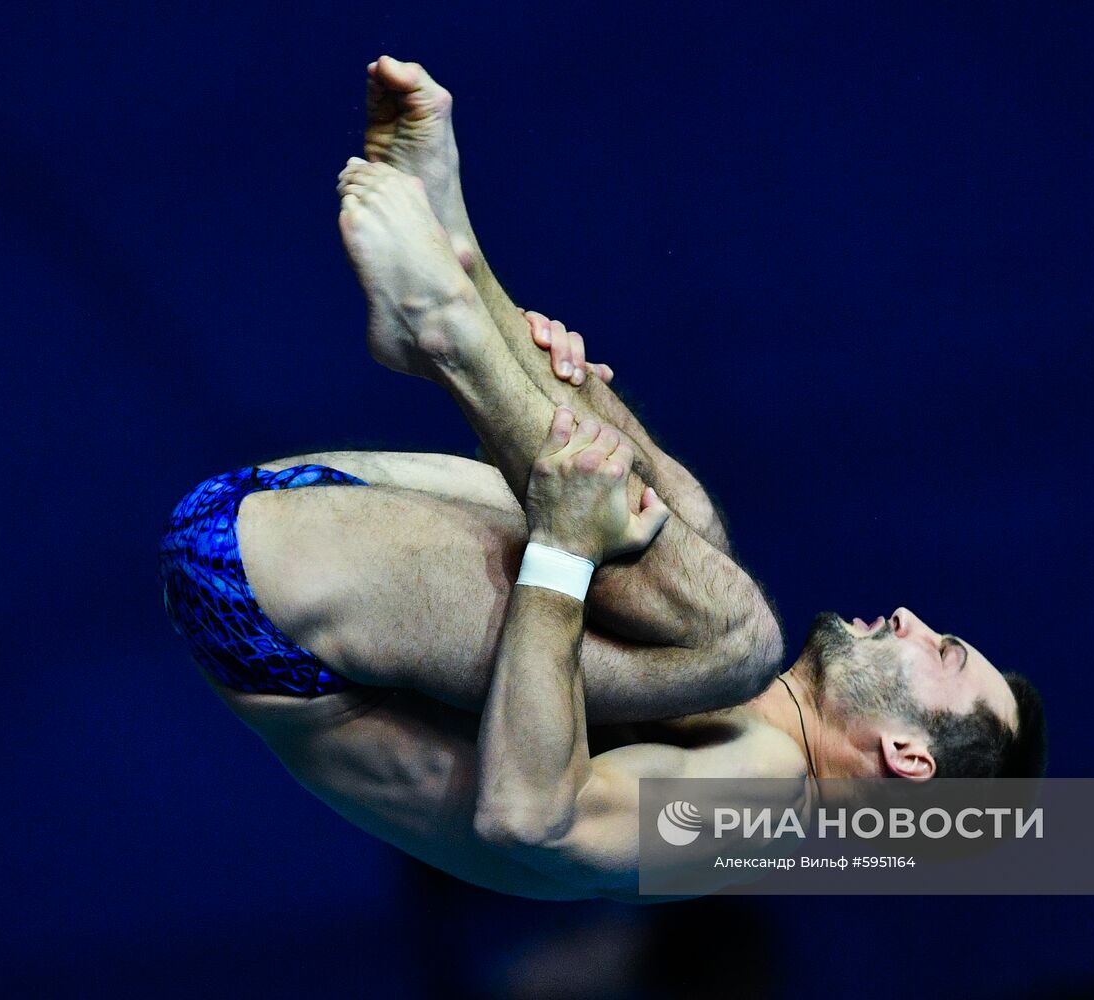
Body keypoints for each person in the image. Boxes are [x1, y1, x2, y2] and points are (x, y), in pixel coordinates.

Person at [159, 56, 1046, 901]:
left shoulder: (765, 808)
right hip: (303, 546)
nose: (915, 622)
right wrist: (572, 398)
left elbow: (527, 818)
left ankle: (452, 333)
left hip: (265, 610)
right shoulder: (754, 737)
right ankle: (467, 278)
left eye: (944, 654)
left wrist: (559, 549)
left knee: (737, 632)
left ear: (908, 759)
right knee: (694, 532)